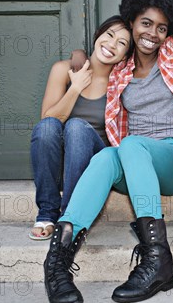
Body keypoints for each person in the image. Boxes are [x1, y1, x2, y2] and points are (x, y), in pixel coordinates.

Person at [43, 0, 173, 303]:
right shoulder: (120, 69)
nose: (152, 34)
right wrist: (79, 53)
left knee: (131, 145)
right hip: (134, 161)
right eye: (146, 24)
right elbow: (91, 57)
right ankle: (58, 263)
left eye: (162, 28)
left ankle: (157, 259)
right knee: (107, 157)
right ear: (132, 21)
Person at [29, 16, 131, 240]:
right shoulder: (63, 69)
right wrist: (75, 87)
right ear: (98, 35)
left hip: (93, 162)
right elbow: (48, 119)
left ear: (125, 55)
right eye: (110, 35)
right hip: (62, 162)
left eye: (122, 43)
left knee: (76, 127)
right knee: (47, 127)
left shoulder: (121, 81)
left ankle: (69, 217)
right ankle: (47, 213)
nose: (112, 45)